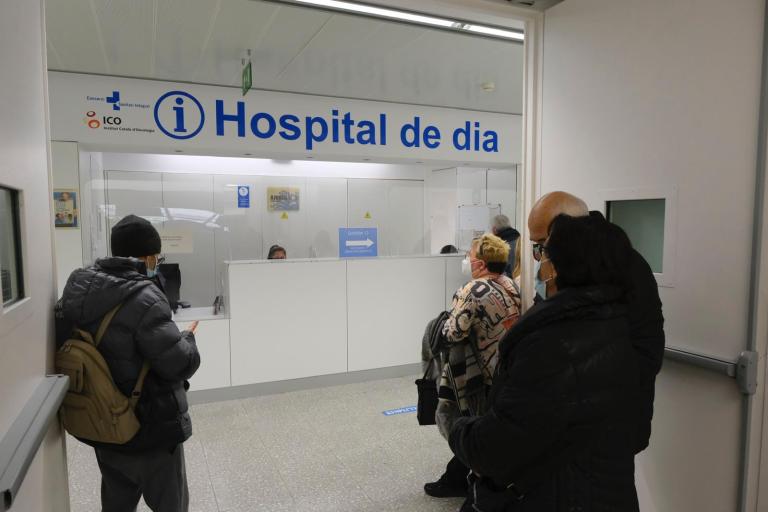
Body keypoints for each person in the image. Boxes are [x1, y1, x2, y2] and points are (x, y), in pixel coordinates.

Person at [448, 214, 642, 511]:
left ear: (561, 267)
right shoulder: (618, 323)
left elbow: (495, 448)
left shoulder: (549, 346)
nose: (539, 263)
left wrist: (458, 429)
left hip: (555, 496)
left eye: (543, 251)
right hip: (605, 488)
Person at [55, 214, 200, 512]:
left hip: (103, 422)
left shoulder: (78, 288)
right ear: (146, 257)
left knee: (117, 503)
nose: (157, 263)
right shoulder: (146, 297)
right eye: (156, 257)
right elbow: (179, 364)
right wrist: (188, 339)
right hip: (150, 428)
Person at [528, 191, 664, 452]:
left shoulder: (623, 266)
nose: (541, 256)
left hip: (609, 424)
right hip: (567, 420)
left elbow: (646, 352)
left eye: (543, 244)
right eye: (537, 247)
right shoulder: (564, 266)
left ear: (567, 228)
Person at [424, 234, 521, 500]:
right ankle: (458, 475)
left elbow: (452, 332)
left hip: (479, 376)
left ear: (480, 263)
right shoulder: (510, 284)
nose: (467, 259)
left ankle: (469, 479)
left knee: (458, 420)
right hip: (507, 370)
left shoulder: (472, 290)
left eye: (470, 255)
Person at [491, 214, 520, 278]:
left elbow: (497, 272)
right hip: (522, 279)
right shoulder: (520, 239)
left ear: (494, 229)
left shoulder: (498, 247)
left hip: (508, 281)